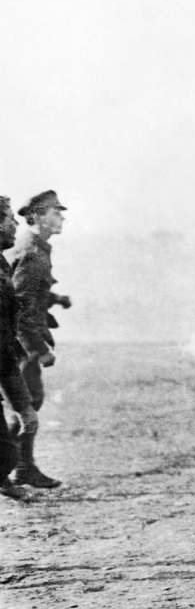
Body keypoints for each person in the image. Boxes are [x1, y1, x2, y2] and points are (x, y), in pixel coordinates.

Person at [9, 190, 71, 488]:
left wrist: (55, 297)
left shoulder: (37, 248)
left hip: (19, 342)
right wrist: (38, 349)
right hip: (20, 345)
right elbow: (18, 306)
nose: (61, 217)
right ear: (37, 216)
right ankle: (19, 468)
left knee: (27, 404)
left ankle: (21, 467)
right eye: (54, 212)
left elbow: (30, 292)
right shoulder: (32, 252)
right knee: (26, 406)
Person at [0, 197, 38, 500]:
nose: (15, 224)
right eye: (9, 218)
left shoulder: (1, 263)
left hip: (5, 358)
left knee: (23, 423)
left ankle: (10, 477)